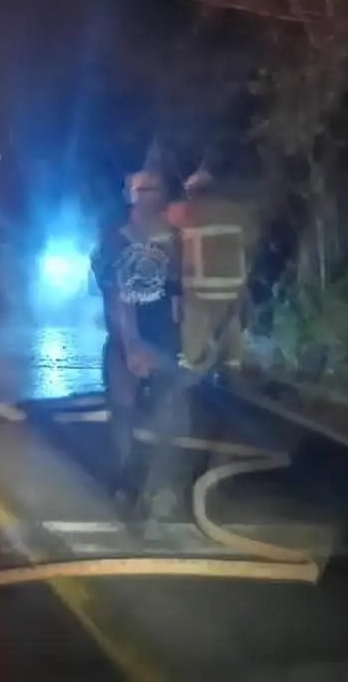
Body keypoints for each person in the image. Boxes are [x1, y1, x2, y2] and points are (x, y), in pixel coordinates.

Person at [94, 169, 188, 527]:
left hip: (163, 341)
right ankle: (127, 485)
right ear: (132, 196)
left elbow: (178, 293)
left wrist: (186, 342)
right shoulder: (115, 240)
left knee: (173, 414)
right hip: (126, 342)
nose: (152, 196)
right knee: (124, 412)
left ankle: (157, 492)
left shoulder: (171, 241)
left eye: (157, 189)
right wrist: (131, 346)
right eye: (144, 190)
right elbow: (116, 296)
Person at [168, 166, 260, 371]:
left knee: (192, 364)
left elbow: (167, 232)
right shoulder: (238, 213)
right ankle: (231, 374)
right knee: (231, 362)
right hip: (232, 299)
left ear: (192, 192)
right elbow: (251, 246)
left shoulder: (183, 212)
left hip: (198, 302)